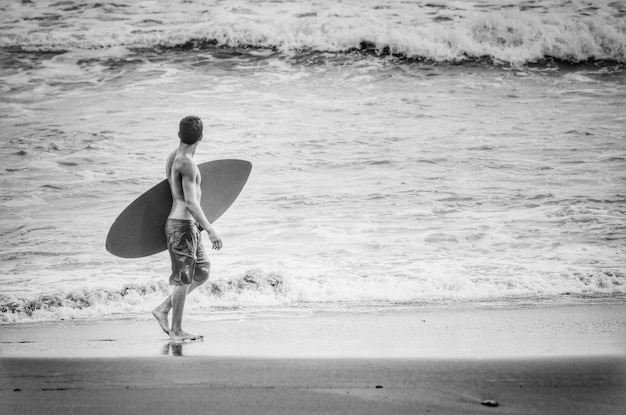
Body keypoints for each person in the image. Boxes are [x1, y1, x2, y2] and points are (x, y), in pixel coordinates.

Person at [152, 115, 222, 342]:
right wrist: (210, 229)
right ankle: (176, 330)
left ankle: (163, 309)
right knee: (183, 278)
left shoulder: (173, 156)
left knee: (201, 271)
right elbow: (190, 202)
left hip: (186, 226)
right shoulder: (187, 164)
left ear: (179, 134)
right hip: (183, 226)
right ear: (201, 137)